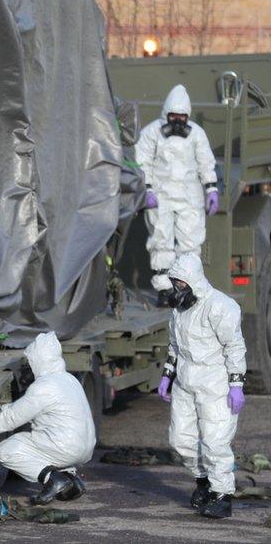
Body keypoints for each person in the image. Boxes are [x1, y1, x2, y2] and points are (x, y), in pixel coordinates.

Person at [157, 253, 246, 519]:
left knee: (215, 441)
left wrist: (236, 384)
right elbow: (174, 345)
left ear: (193, 280)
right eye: (174, 283)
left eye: (180, 283)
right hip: (185, 382)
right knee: (179, 440)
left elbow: (235, 347)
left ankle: (222, 495)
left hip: (215, 383)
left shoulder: (221, 306)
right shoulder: (179, 310)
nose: (177, 288)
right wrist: (167, 374)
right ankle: (203, 481)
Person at [0, 332, 96, 505]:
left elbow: (14, 416)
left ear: (39, 360)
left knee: (5, 451)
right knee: (41, 437)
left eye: (31, 361)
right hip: (85, 448)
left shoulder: (44, 387)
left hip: (66, 447)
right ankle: (71, 479)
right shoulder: (69, 379)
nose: (30, 365)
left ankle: (53, 480)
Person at [135, 84, 219, 307]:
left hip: (189, 197)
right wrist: (148, 189)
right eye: (174, 115)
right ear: (166, 114)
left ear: (187, 115)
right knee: (160, 242)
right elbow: (142, 161)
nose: (178, 121)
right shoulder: (152, 132)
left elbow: (206, 163)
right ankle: (164, 289)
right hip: (160, 197)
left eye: (182, 116)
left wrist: (212, 189)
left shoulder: (197, 135)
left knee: (190, 244)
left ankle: (187, 287)